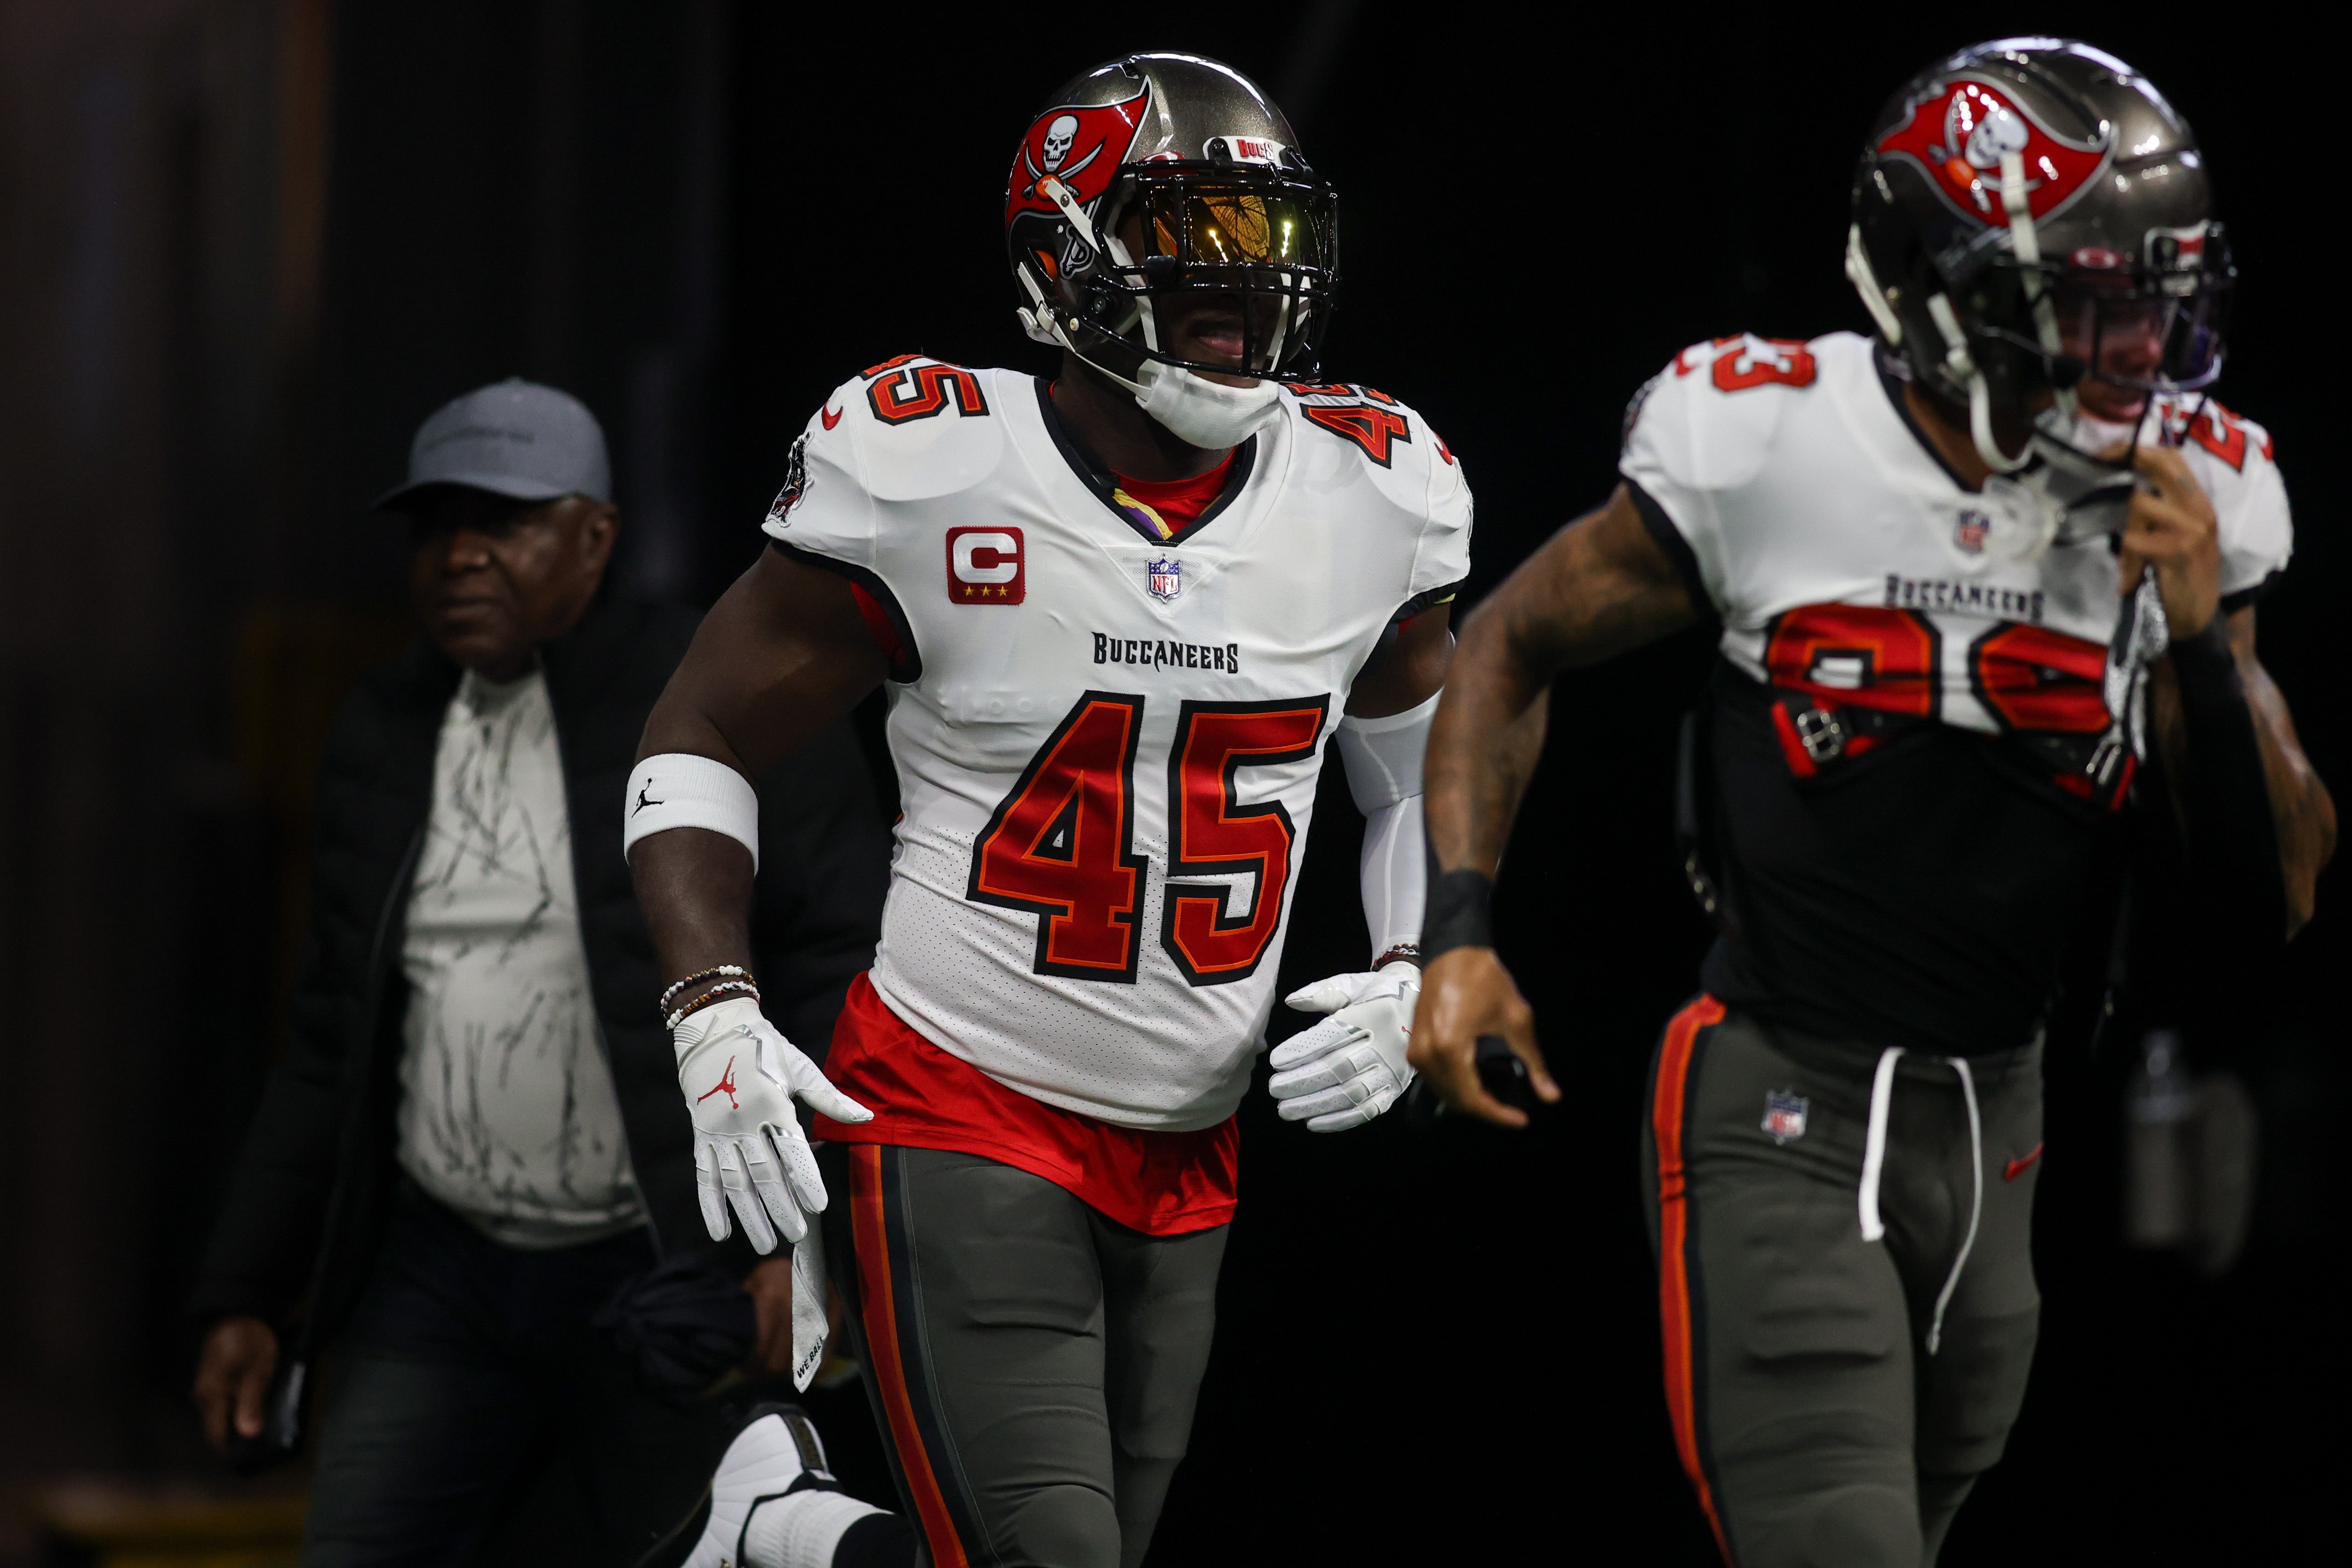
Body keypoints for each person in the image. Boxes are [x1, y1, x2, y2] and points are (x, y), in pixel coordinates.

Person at [1408, 39, 2333, 1568]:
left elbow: (2271, 899)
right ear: (1937, 281)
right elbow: (1506, 640)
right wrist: (1456, 927)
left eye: (2158, 295)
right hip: (1782, 1097)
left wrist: (2197, 650)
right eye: (2091, 297)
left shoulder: (2193, 492)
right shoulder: (1772, 439)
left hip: (2006, 1128)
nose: (2139, 346)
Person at [625, 52, 1469, 1568]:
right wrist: (712, 1004)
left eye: (1265, 234)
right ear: (1058, 261)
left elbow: (1422, 769)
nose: (1240, 277)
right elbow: (698, 730)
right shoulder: (932, 467)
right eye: (1187, 230)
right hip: (958, 1100)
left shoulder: (1377, 487)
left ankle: (787, 1534)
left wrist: (1420, 961)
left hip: (1189, 1143)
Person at [188, 379, 889, 1566]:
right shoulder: (384, 724)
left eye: (503, 522)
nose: (461, 556)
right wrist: (247, 1290)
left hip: (662, 1256)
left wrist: (803, 1241)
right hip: (441, 1264)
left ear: (595, 534)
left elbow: (836, 956)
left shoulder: (714, 697)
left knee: (701, 1544)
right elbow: (328, 1038)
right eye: (435, 526)